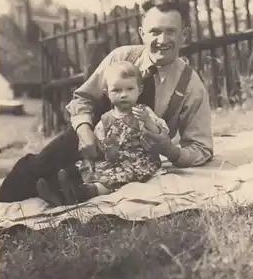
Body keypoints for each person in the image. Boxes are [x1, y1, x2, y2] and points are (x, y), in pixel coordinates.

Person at [0, 0, 214, 204]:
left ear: (184, 35)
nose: (162, 40)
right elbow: (83, 98)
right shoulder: (121, 58)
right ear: (142, 34)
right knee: (21, 184)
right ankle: (53, 183)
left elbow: (201, 148)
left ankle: (68, 188)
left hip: (135, 159)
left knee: (69, 182)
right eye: (155, 31)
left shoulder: (190, 86)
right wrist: (85, 133)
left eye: (171, 32)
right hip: (93, 141)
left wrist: (169, 149)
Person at [36, 61, 170, 206]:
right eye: (117, 91)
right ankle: (63, 189)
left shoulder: (143, 112)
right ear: (107, 93)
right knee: (88, 166)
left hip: (138, 161)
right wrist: (100, 149)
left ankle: (85, 192)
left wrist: (147, 121)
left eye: (130, 89)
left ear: (140, 89)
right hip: (114, 159)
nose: (124, 95)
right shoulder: (106, 118)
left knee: (116, 179)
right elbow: (99, 140)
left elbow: (160, 132)